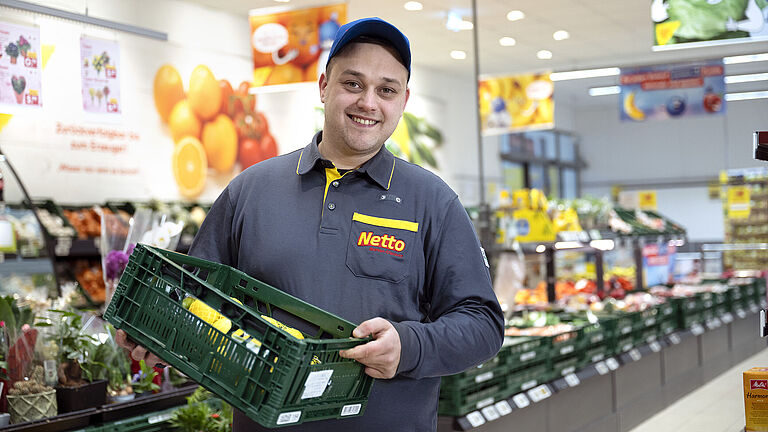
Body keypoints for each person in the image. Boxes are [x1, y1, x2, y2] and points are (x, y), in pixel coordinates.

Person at [117, 17, 504, 431]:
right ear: (324, 87)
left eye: (386, 90)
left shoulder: (432, 202)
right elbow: (197, 304)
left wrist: (408, 346)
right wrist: (160, 337)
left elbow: (482, 324)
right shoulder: (249, 191)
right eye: (352, 84)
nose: (368, 103)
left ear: (403, 101)